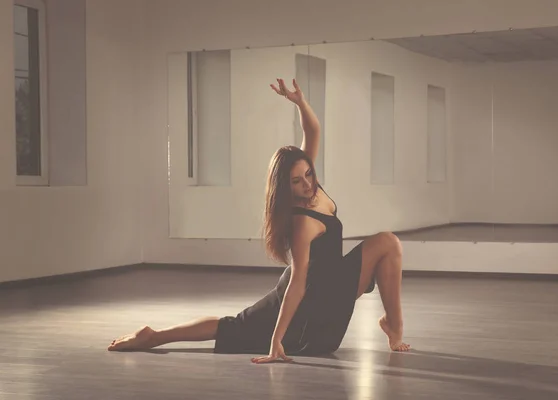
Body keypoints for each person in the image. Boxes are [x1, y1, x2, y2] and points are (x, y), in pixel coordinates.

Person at [108, 78, 410, 363]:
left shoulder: (310, 183)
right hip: (312, 302)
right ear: (285, 188)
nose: (307, 183)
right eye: (296, 181)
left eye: (308, 173)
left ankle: (392, 325)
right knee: (235, 326)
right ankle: (155, 336)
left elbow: (314, 132)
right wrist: (277, 339)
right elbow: (298, 282)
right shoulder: (301, 222)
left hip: (333, 281)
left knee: (388, 243)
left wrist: (300, 103)